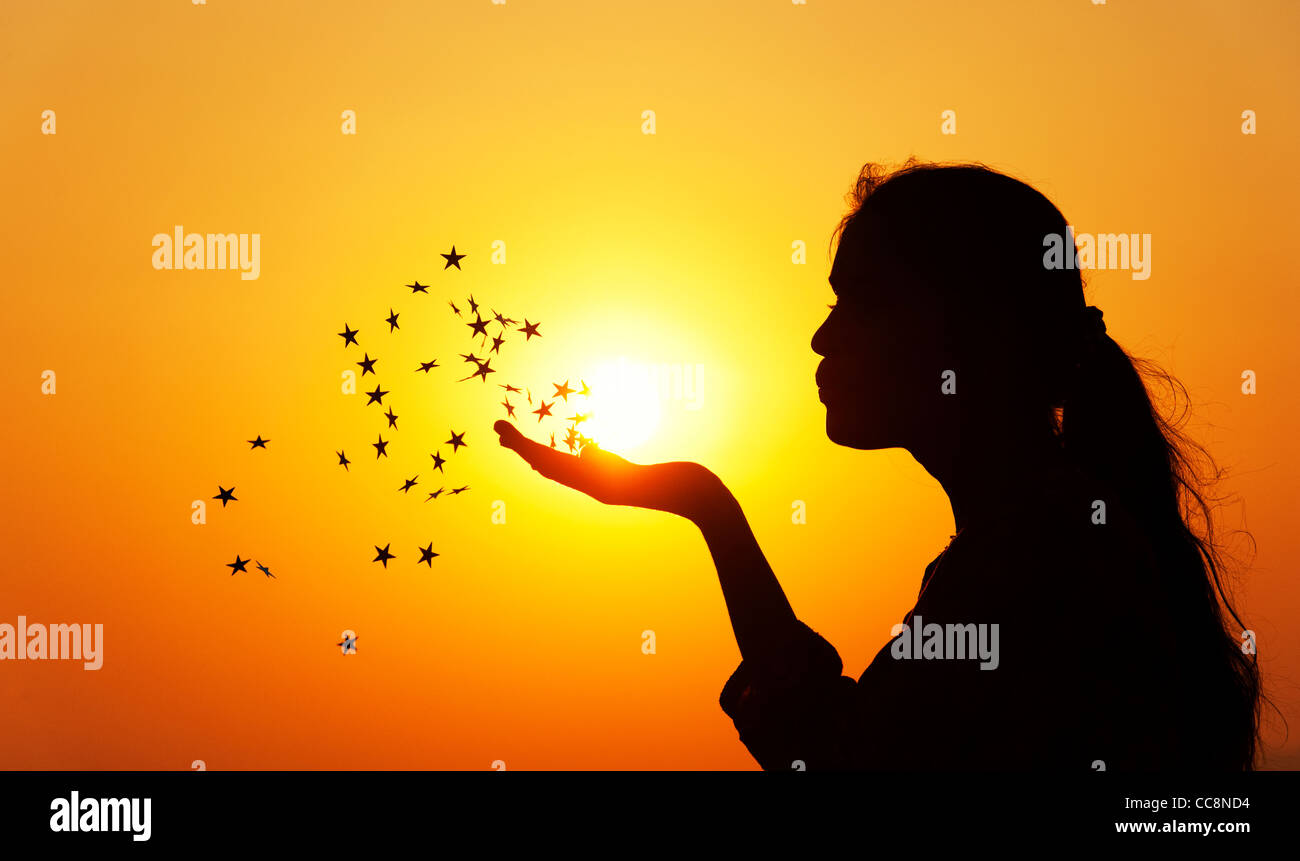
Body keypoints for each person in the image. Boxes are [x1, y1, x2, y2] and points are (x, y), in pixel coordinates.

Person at [493, 159, 1263, 770]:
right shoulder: (1038, 537)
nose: (822, 340)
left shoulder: (1044, 556)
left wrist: (709, 508)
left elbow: (846, 760)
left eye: (858, 303)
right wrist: (704, 503)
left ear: (962, 329)